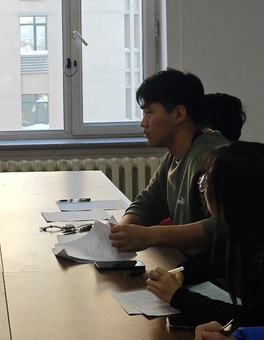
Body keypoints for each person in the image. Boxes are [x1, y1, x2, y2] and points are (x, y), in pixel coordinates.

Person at [109, 68, 228, 254]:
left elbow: (225, 225)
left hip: (211, 271)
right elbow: (150, 201)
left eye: (149, 112)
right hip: (185, 263)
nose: (143, 123)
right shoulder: (174, 156)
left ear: (179, 114)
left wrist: (150, 236)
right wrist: (124, 228)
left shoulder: (212, 158)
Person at [146, 141, 264, 328]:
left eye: (207, 182)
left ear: (232, 194)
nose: (202, 188)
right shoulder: (246, 226)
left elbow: (254, 319)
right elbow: (216, 259)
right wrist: (181, 273)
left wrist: (178, 296)